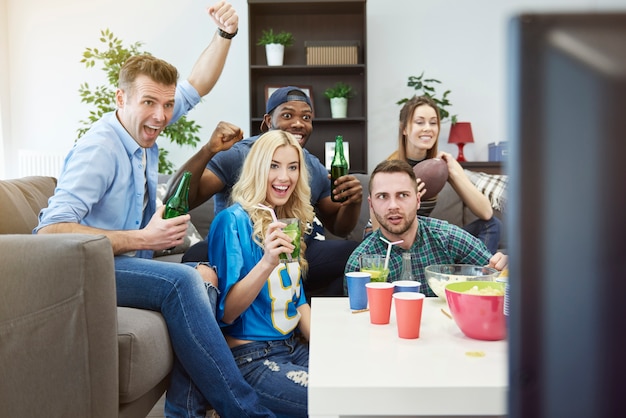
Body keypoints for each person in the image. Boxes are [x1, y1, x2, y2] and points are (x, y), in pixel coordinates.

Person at [35, 4, 276, 416]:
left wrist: (226, 35)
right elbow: (49, 233)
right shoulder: (102, 147)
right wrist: (144, 239)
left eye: (166, 105)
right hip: (86, 271)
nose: (161, 116)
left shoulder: (144, 125)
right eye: (150, 103)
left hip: (121, 263)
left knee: (203, 277)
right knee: (182, 282)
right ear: (120, 98)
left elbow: (197, 84)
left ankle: (184, 411)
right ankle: (248, 409)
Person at [173, 86, 363, 296]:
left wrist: (353, 202)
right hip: (240, 250)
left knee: (355, 254)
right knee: (196, 255)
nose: (298, 123)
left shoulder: (312, 166)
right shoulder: (238, 154)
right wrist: (208, 150)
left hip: (291, 251)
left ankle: (301, 315)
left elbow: (339, 227)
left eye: (306, 117)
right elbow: (181, 200)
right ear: (267, 121)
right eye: (287, 115)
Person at [208, 130, 313, 417]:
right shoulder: (231, 221)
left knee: (359, 386)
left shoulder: (288, 220)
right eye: (274, 165)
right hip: (252, 357)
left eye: (293, 167)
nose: (285, 177)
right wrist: (267, 261)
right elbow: (227, 313)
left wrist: (330, 349)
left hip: (293, 346)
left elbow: (298, 301)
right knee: (333, 402)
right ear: (257, 168)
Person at [346, 159, 507, 296]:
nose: (393, 206)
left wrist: (502, 268)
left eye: (403, 195)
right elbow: (357, 320)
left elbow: (496, 277)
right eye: (382, 196)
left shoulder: (446, 237)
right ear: (371, 204)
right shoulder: (359, 264)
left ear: (417, 200)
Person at [366, 95, 502, 253]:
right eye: (419, 122)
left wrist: (453, 173)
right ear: (404, 128)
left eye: (433, 123)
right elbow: (378, 231)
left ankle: (478, 274)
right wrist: (407, 197)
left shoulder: (440, 165)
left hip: (421, 236)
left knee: (492, 225)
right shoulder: (391, 168)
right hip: (386, 237)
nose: (427, 128)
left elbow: (486, 212)